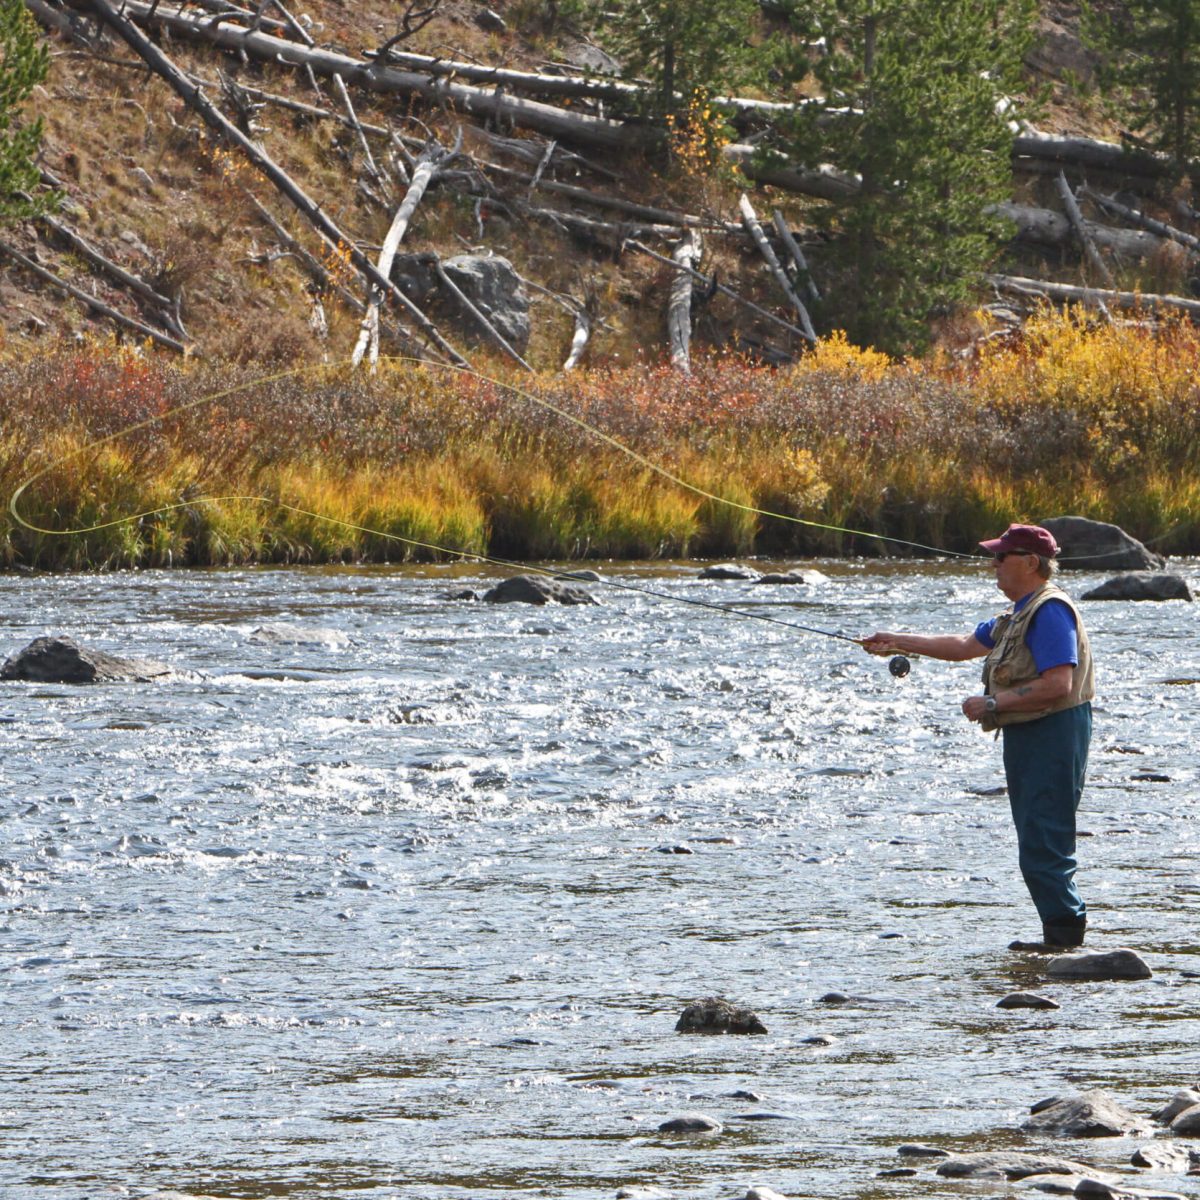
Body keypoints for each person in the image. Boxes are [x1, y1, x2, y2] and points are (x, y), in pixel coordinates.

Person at [862, 523, 1095, 951]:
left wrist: (993, 703)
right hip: (1030, 733)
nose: (993, 565)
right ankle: (1060, 942)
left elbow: (1059, 684)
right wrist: (894, 640)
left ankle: (1064, 945)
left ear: (1029, 563)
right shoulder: (1017, 614)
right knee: (1036, 838)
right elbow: (964, 644)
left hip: (1053, 734)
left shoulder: (1049, 612)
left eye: (1001, 558)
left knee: (1045, 839)